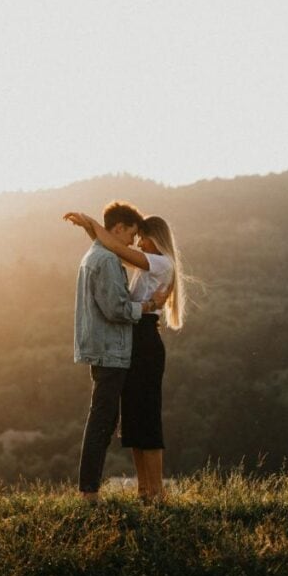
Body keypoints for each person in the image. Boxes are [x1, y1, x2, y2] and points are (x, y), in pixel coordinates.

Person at [64, 210, 185, 502]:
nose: (137, 244)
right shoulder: (147, 264)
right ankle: (144, 490)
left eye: (142, 238)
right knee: (134, 420)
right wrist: (92, 231)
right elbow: (112, 246)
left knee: (147, 417)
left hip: (144, 340)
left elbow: (115, 247)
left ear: (155, 239)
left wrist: (92, 224)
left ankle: (156, 491)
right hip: (134, 339)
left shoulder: (160, 262)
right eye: (136, 236)